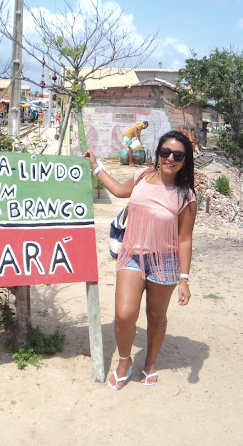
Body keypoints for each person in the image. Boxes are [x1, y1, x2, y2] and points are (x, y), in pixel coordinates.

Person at [84, 130, 197, 389]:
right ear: (157, 154)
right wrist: (96, 166)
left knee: (156, 315)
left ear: (184, 160)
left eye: (177, 155)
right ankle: (125, 361)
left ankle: (150, 362)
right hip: (132, 255)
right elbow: (119, 190)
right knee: (124, 315)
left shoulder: (186, 196)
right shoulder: (143, 176)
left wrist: (184, 279)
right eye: (165, 152)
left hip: (165, 262)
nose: (170, 158)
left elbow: (185, 239)